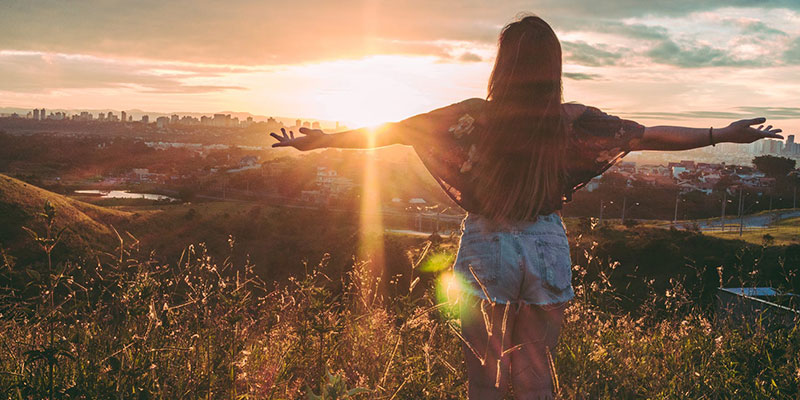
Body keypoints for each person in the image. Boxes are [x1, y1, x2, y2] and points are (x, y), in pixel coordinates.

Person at [270, 14, 783, 400]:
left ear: (502, 65)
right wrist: (720, 133)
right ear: (553, 67)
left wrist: (319, 142)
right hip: (545, 243)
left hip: (488, 242)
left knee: (484, 368)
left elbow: (390, 131)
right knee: (534, 363)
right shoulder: (573, 120)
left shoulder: (472, 117)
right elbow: (649, 136)